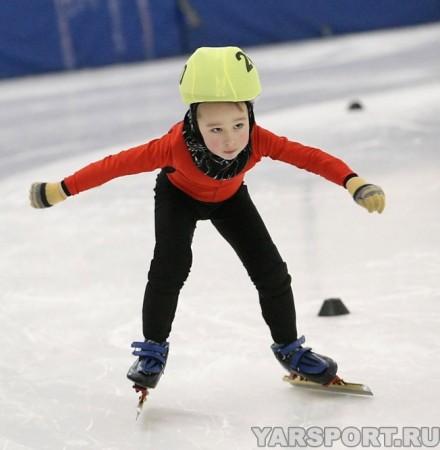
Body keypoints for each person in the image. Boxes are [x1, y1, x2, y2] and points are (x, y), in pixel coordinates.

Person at [29, 46, 385, 391]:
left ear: (250, 115)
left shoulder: (258, 139)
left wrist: (353, 181)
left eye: (239, 124)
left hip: (230, 200)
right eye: (216, 129)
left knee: (270, 270)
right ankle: (152, 349)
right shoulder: (171, 147)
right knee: (171, 265)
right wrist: (61, 189)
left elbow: (309, 156)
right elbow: (114, 165)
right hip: (178, 198)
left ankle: (290, 349)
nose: (231, 140)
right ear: (195, 122)